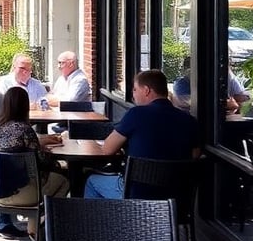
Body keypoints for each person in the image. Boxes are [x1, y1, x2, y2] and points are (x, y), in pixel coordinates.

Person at [85, 69, 201, 199]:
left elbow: (107, 149)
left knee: (92, 181)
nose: (133, 95)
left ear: (146, 90)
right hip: (176, 198)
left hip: (136, 196)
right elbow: (195, 155)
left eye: (135, 89)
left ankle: (110, 219)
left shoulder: (136, 114)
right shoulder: (189, 120)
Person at [0, 87, 70, 238]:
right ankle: (40, 226)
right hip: (22, 193)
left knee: (35, 179)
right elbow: (41, 162)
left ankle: (34, 228)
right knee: (62, 180)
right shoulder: (25, 129)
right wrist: (52, 157)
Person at [172, 58, 250, 114]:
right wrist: (225, 102)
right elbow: (194, 103)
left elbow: (244, 98)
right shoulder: (181, 83)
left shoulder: (225, 75)